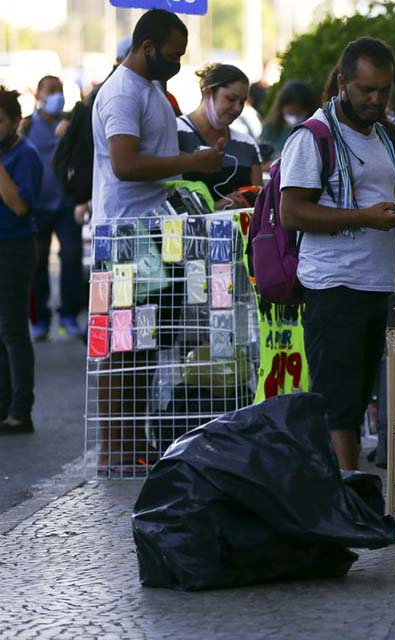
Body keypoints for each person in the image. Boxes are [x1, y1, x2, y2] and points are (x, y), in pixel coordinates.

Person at [279, 37, 395, 471]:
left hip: (375, 282)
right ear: (343, 82)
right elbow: (292, 212)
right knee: (337, 400)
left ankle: (348, 487)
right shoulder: (313, 136)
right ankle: (344, 489)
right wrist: (364, 216)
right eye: (366, 89)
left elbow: (393, 196)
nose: (376, 99)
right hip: (333, 284)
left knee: (360, 393)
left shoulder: (382, 133)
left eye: (384, 90)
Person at [91, 9, 223, 472]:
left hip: (151, 234)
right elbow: (125, 164)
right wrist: (193, 162)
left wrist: (191, 164)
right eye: (172, 54)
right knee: (122, 347)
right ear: (146, 47)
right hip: (126, 238)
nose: (178, 62)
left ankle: (133, 444)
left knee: (143, 344)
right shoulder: (124, 93)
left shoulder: (150, 90)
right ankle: (115, 449)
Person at [20, 75, 84, 340]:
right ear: (39, 95)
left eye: (60, 90)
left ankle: (68, 315)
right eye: (51, 91)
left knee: (70, 258)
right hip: (37, 206)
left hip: (66, 204)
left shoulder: (69, 124)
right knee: (37, 263)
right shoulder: (25, 127)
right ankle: (40, 320)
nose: (57, 95)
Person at [0, 86, 43, 434]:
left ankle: (20, 409)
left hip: (13, 247)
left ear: (16, 122)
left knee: (14, 330)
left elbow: (18, 205)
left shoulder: (24, 154)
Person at [177, 64, 263, 209]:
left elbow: (259, 204)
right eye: (231, 99)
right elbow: (166, 196)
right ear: (208, 93)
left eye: (242, 102)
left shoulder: (246, 144)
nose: (237, 108)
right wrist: (216, 206)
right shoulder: (175, 132)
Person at [260, 81, 316, 161]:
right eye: (290, 114)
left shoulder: (312, 132)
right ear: (281, 109)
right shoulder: (270, 129)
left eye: (298, 114)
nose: (294, 119)